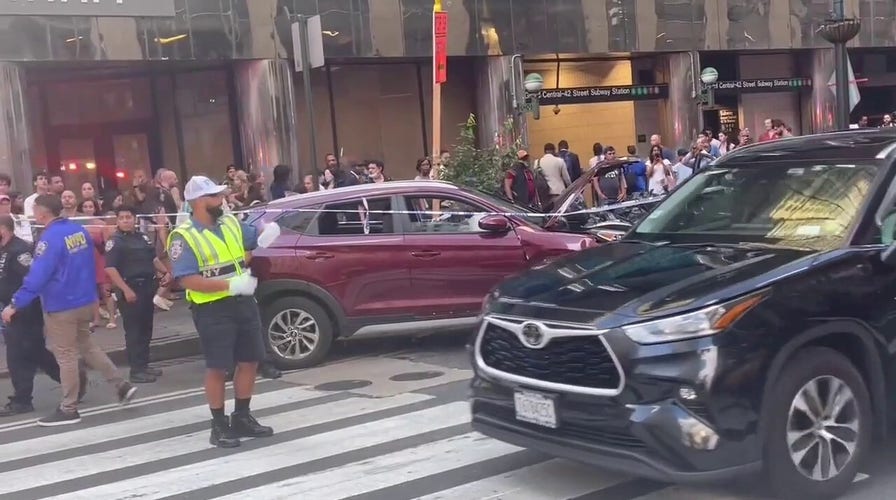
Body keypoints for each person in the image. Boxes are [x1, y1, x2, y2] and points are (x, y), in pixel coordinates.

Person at [1, 195, 136, 426]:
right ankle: (120, 383)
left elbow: (38, 275)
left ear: (43, 213)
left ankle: (68, 407)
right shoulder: (78, 230)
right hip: (84, 299)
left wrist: (15, 304)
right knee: (87, 346)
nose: (33, 215)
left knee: (65, 356)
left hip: (61, 303)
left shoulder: (48, 238)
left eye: (35, 211)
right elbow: (89, 264)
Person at [167, 176, 277, 448]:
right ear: (199, 202)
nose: (222, 200)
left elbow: (247, 247)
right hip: (211, 308)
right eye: (215, 197)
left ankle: (242, 416)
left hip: (242, 301)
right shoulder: (183, 236)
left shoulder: (229, 222)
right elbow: (187, 280)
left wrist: (266, 235)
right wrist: (230, 285)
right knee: (218, 366)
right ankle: (218, 425)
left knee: (250, 360)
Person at [0, 215, 75, 417]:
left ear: (4, 229)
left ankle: (22, 399)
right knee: (34, 352)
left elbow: (32, 279)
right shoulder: (4, 250)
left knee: (18, 356)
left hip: (24, 310)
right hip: (11, 308)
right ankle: (74, 381)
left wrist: (16, 305)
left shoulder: (19, 251)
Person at [104, 206, 172, 384]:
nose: (126, 220)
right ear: (117, 221)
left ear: (134, 219)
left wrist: (165, 272)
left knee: (145, 328)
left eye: (129, 217)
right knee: (134, 331)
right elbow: (110, 268)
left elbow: (153, 258)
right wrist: (125, 289)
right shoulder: (115, 241)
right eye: (122, 218)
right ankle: (136, 370)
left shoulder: (142, 237)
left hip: (147, 286)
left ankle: (144, 365)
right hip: (130, 288)